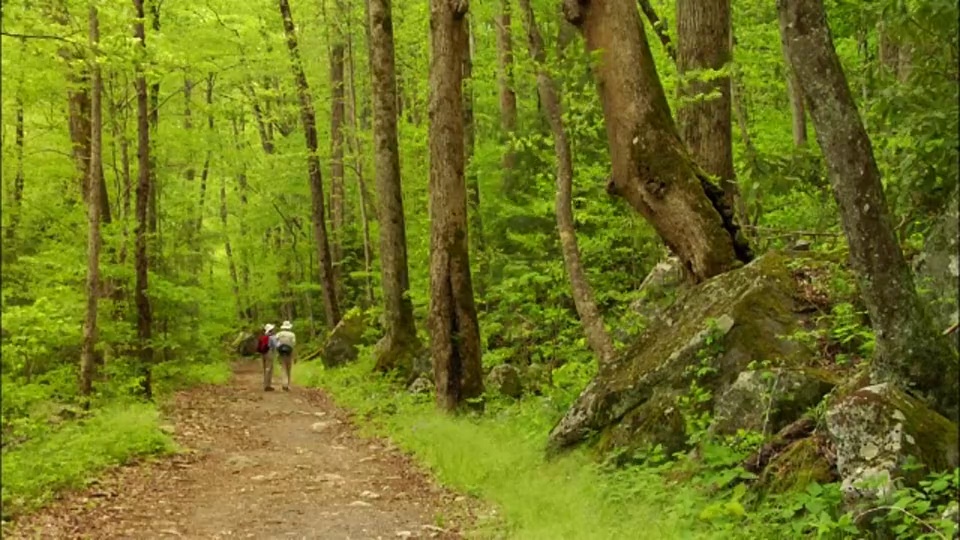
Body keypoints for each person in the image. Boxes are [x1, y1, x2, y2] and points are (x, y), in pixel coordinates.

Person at [274, 320, 296, 391]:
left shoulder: (279, 334)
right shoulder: (292, 334)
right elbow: (293, 344)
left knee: (283, 368)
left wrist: (277, 349)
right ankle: (288, 384)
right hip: (289, 353)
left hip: (281, 353)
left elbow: (275, 342)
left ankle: (284, 383)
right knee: (289, 368)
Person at [258, 323, 278, 391]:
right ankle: (267, 385)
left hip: (263, 354)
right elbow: (275, 346)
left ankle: (265, 384)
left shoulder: (263, 336)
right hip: (269, 353)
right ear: (271, 330)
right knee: (269, 369)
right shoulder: (272, 337)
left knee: (265, 369)